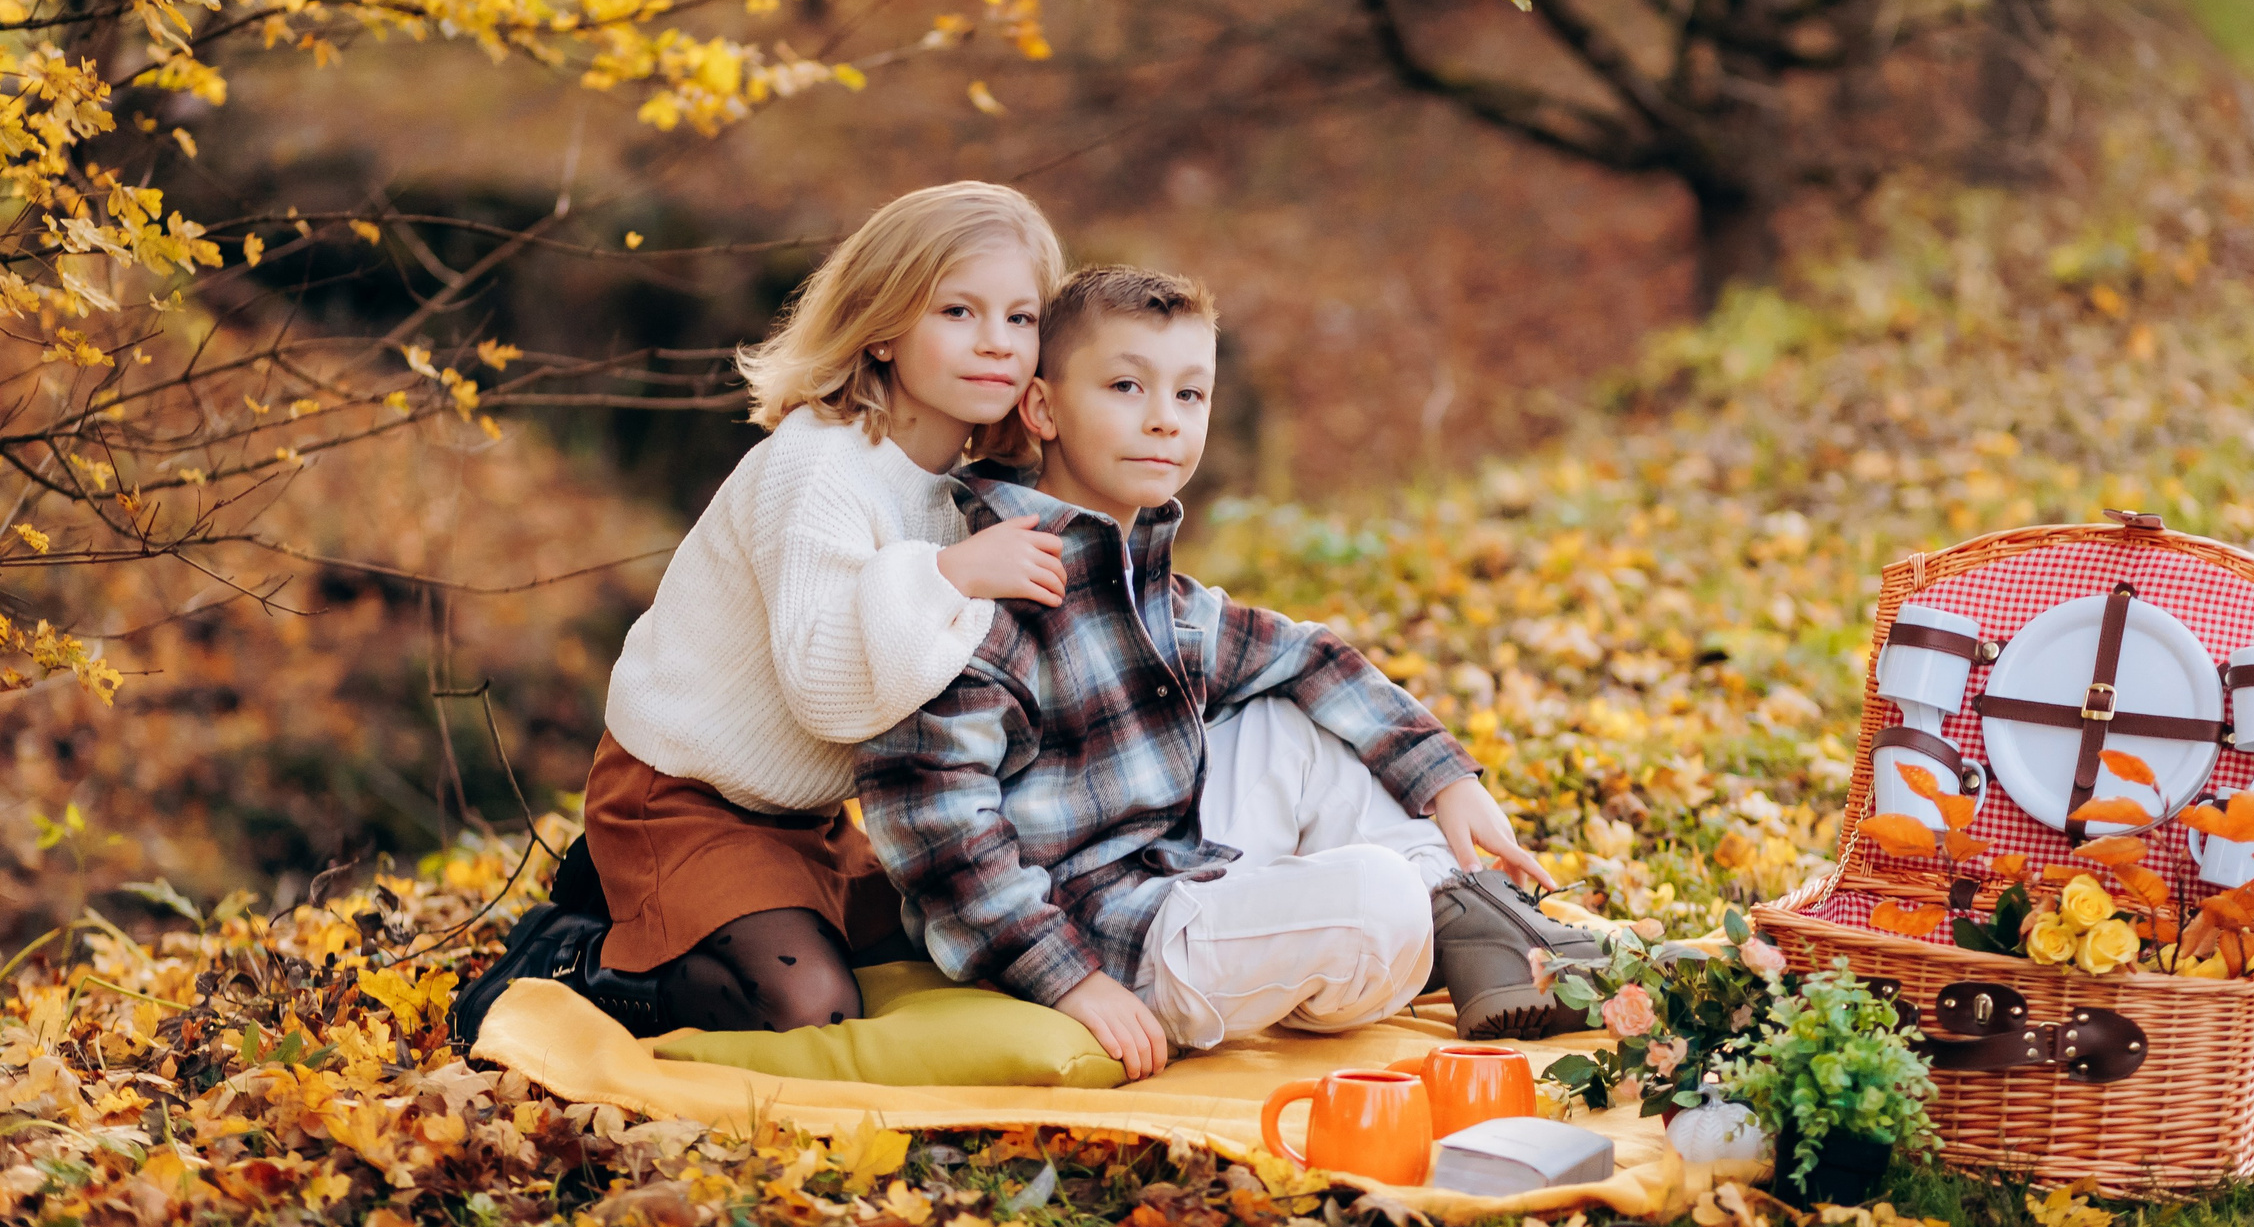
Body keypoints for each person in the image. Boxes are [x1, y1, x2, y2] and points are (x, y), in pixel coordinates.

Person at [857, 265, 1599, 1080]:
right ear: (1042, 408)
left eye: (1189, 394)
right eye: (1127, 386)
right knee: (1378, 897)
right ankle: (1442, 921)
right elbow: (937, 823)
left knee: (1295, 722)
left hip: (1173, 866)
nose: (1163, 419)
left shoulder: (1137, 576)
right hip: (1103, 941)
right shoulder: (986, 582)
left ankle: (1476, 924)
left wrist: (1447, 778)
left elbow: (1305, 654)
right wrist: (1070, 981)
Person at [455, 182, 1072, 1047]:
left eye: (1021, 317)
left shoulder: (975, 493)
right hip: (682, 796)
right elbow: (826, 691)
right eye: (958, 311)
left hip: (809, 820)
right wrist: (948, 576)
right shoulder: (819, 466)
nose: (996, 342)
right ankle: (570, 957)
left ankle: (699, 913)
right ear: (884, 327)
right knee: (804, 1004)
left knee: (955, 950)